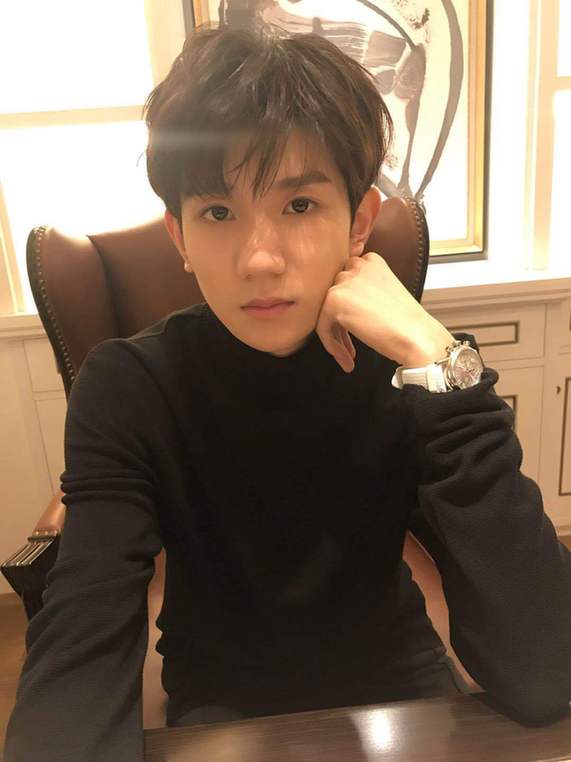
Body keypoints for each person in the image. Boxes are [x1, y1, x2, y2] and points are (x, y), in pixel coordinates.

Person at [4, 23, 570, 761]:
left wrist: (438, 356)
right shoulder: (131, 386)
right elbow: (85, 623)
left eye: (299, 206)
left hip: (400, 683)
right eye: (217, 213)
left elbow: (546, 672)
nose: (260, 260)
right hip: (221, 701)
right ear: (179, 236)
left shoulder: (412, 372)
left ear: (359, 223)